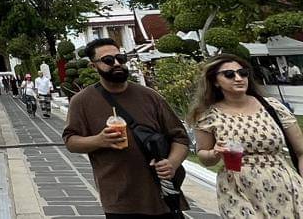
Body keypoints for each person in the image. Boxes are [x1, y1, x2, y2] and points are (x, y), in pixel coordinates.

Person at [63, 38, 189, 218]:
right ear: (93, 66)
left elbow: (180, 137)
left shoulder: (150, 96)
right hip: (120, 199)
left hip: (162, 193)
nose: (116, 64)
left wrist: (172, 163)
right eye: (108, 60)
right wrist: (99, 140)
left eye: (120, 58)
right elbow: (70, 141)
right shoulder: (82, 101)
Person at [190, 54, 303, 218]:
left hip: (283, 185)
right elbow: (203, 156)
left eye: (243, 73)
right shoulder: (208, 116)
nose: (238, 78)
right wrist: (214, 153)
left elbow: (300, 151)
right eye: (229, 74)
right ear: (215, 81)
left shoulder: (272, 107)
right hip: (237, 188)